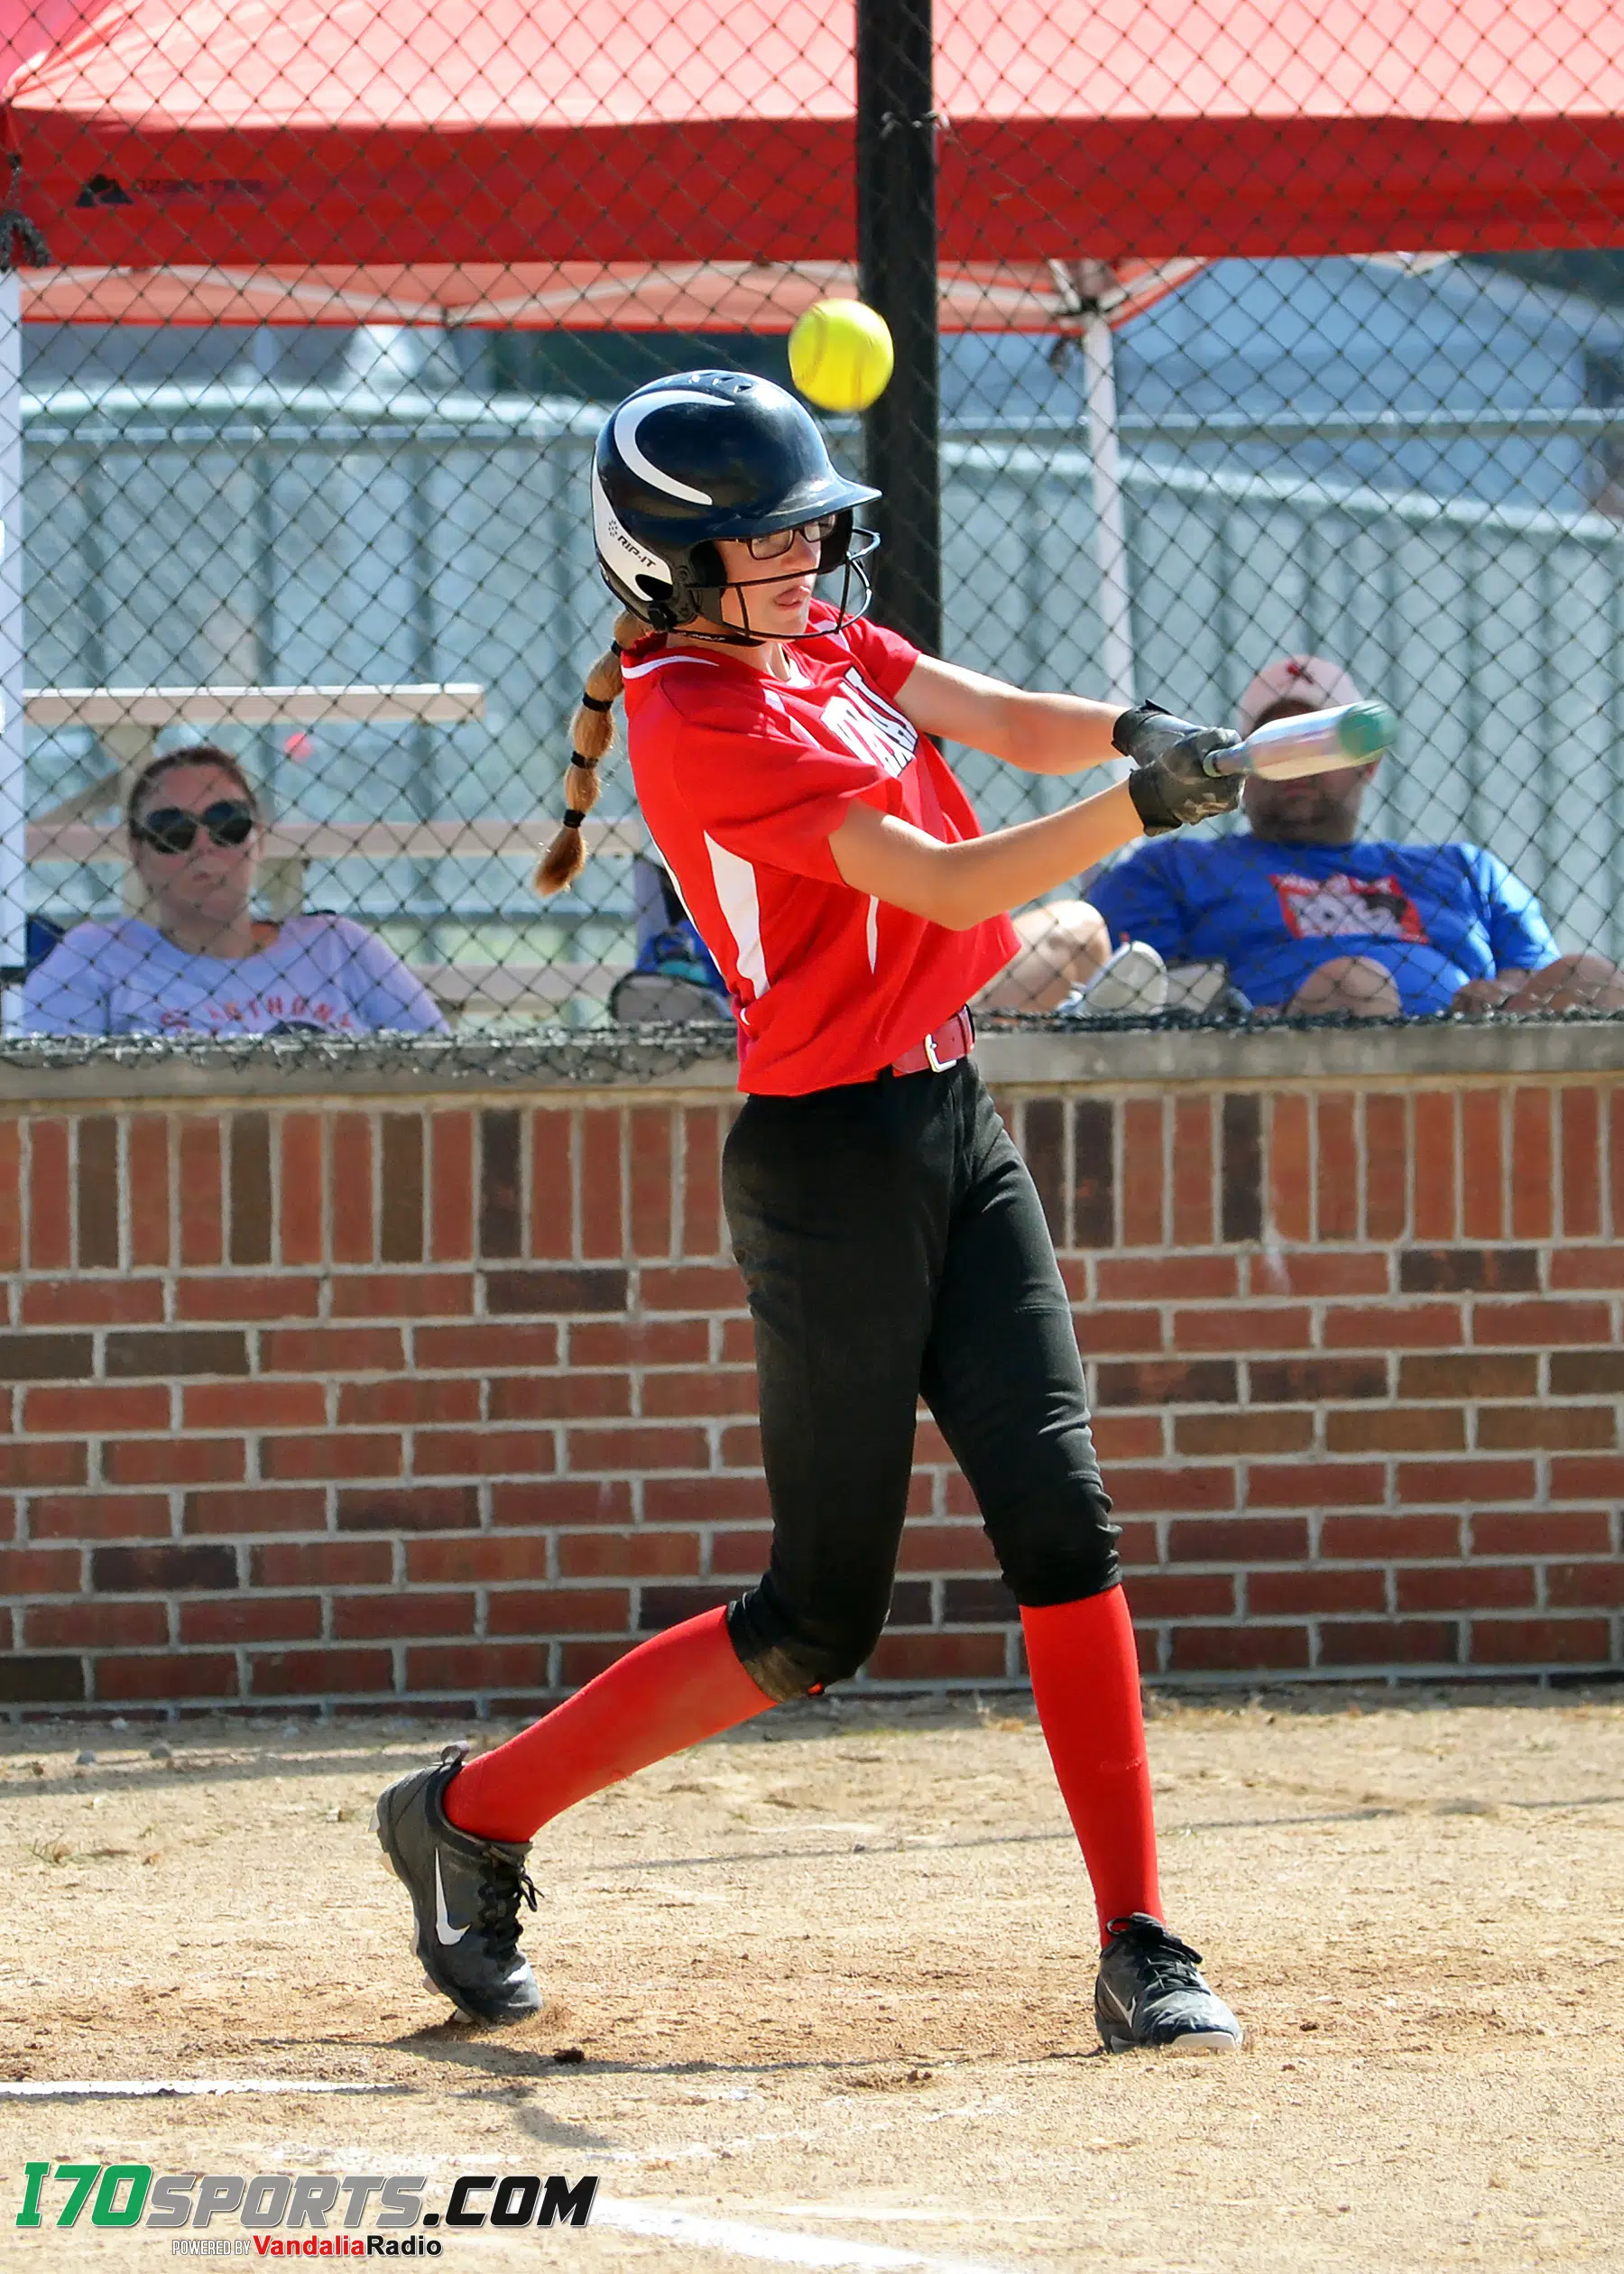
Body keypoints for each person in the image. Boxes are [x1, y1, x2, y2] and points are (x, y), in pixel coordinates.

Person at [374, 370, 1247, 2055]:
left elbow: (997, 711)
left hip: (951, 1121)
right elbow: (940, 880)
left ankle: (1142, 1936)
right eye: (757, 540)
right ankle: (473, 1810)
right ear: (666, 566)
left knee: (1063, 1519)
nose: (797, 557)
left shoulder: (821, 651)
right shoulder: (693, 719)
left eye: (799, 528)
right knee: (818, 1622)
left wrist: (1137, 737)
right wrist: (1137, 818)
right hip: (829, 1167)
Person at [1085, 654, 1624, 1019]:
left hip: (1479, 1051)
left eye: (1319, 744)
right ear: (1243, 767)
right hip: (1295, 1058)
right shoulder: (1171, 869)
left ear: (1367, 765)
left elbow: (1530, 976)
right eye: (1279, 747)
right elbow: (1142, 999)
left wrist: (1499, 998)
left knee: (1591, 975)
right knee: (1355, 984)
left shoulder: (1463, 870)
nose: (1297, 766)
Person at [23, 744, 447, 1037]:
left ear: (258, 839)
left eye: (227, 822)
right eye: (173, 831)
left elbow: (443, 1071)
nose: (205, 845)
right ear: (138, 855)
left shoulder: (339, 947)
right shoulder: (96, 957)